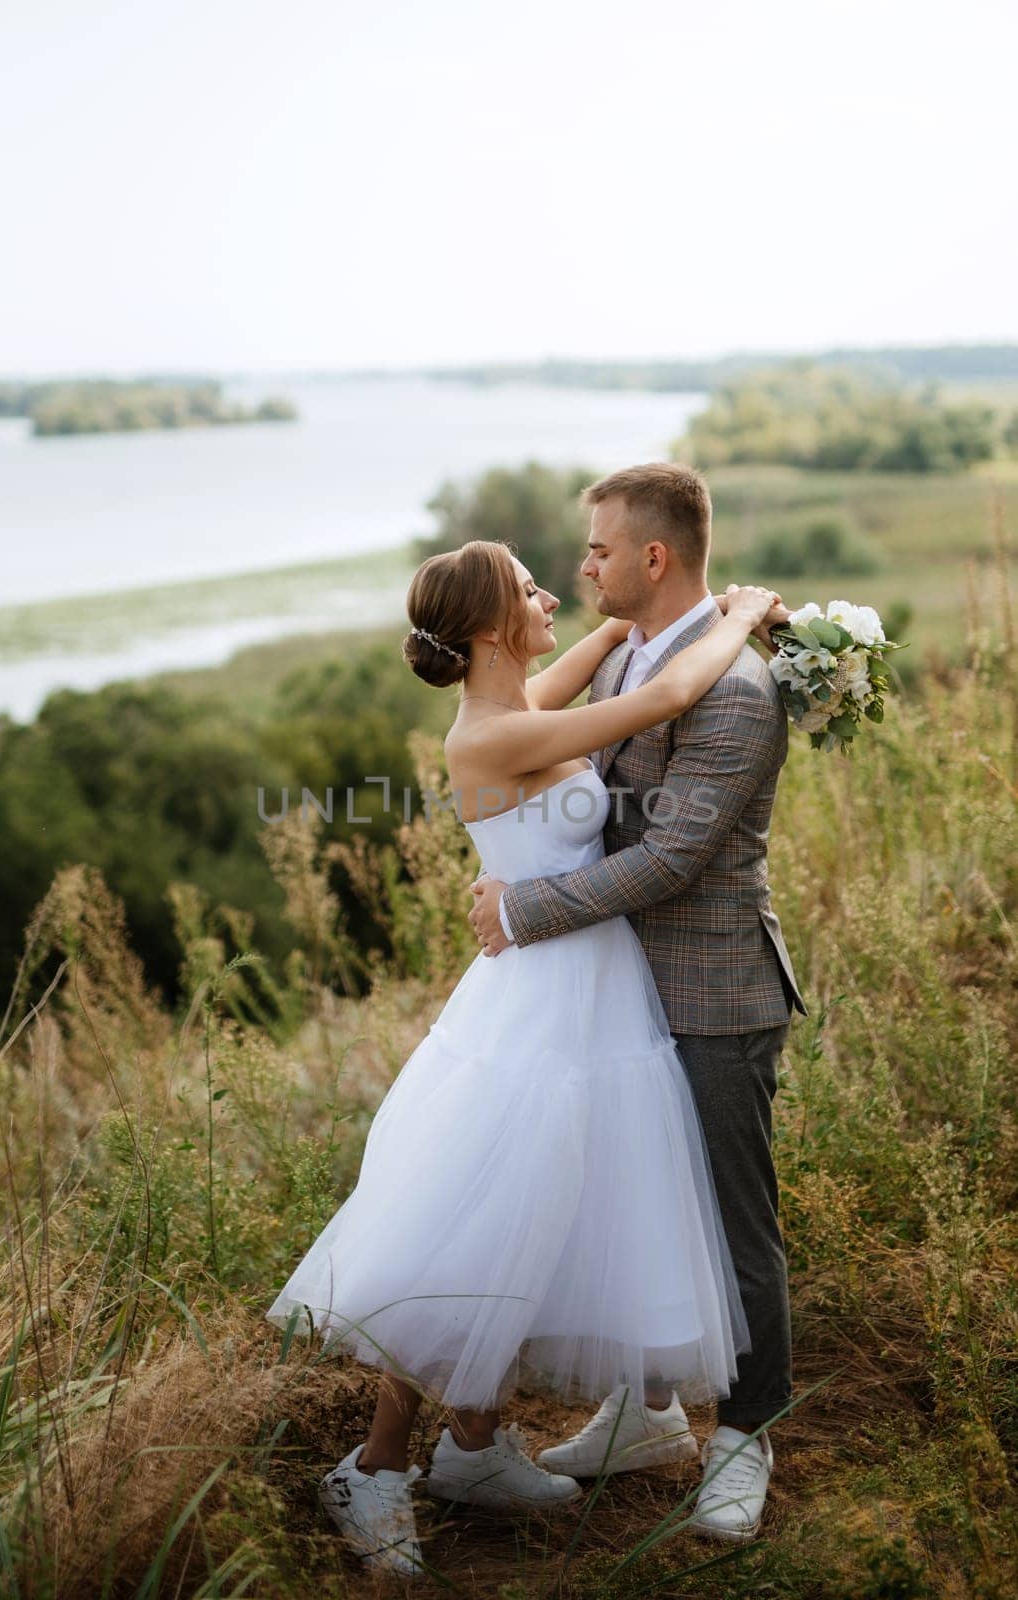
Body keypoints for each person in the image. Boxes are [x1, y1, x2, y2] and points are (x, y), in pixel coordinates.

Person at [265, 533, 783, 1578]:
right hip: (538, 1004)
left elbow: (611, 658)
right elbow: (665, 694)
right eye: (529, 587)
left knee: (554, 1215)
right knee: (482, 1223)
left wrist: (630, 614)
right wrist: (740, 611)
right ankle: (373, 1468)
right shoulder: (485, 738)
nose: (554, 590)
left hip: (596, 995)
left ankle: (472, 1447)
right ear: (494, 625)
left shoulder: (520, 704)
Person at [469, 462, 808, 1545]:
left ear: (653, 557)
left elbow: (667, 860)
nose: (584, 569)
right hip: (621, 996)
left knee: (731, 1222)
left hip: (712, 990)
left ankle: (746, 1439)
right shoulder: (640, 652)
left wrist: (524, 909)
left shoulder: (737, 691)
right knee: (640, 1205)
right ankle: (649, 1410)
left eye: (601, 550)